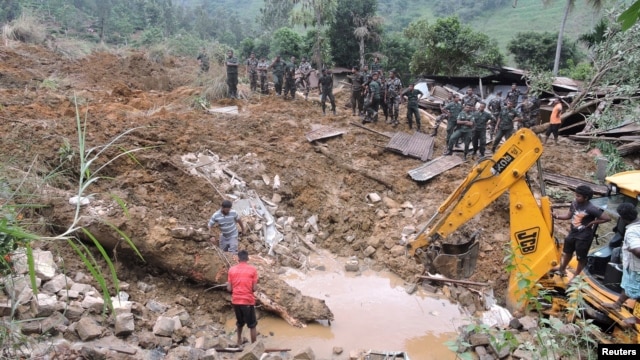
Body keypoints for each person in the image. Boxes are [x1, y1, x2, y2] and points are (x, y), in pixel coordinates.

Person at [551, 185, 611, 276]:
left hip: (584, 236)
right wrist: (557, 216)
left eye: (578, 196)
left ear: (586, 198)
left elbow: (606, 218)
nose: (576, 197)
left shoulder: (591, 208)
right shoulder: (574, 203)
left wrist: (592, 223)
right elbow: (568, 216)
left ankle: (576, 276)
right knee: (567, 252)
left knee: (581, 257)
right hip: (573, 233)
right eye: (576, 195)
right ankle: (562, 269)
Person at [603, 203, 640, 327]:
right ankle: (617, 304)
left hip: (637, 268)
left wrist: (631, 249)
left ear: (622, 218)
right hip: (631, 266)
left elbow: (637, 250)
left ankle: (637, 319)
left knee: (637, 293)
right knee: (627, 285)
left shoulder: (632, 231)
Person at [227, 250, 258, 346]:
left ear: (238, 259)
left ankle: (239, 341)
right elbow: (254, 288)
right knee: (252, 325)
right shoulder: (253, 270)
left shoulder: (231, 270)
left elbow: (229, 288)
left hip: (236, 301)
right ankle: (254, 346)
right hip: (247, 301)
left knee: (240, 323)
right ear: (247, 258)